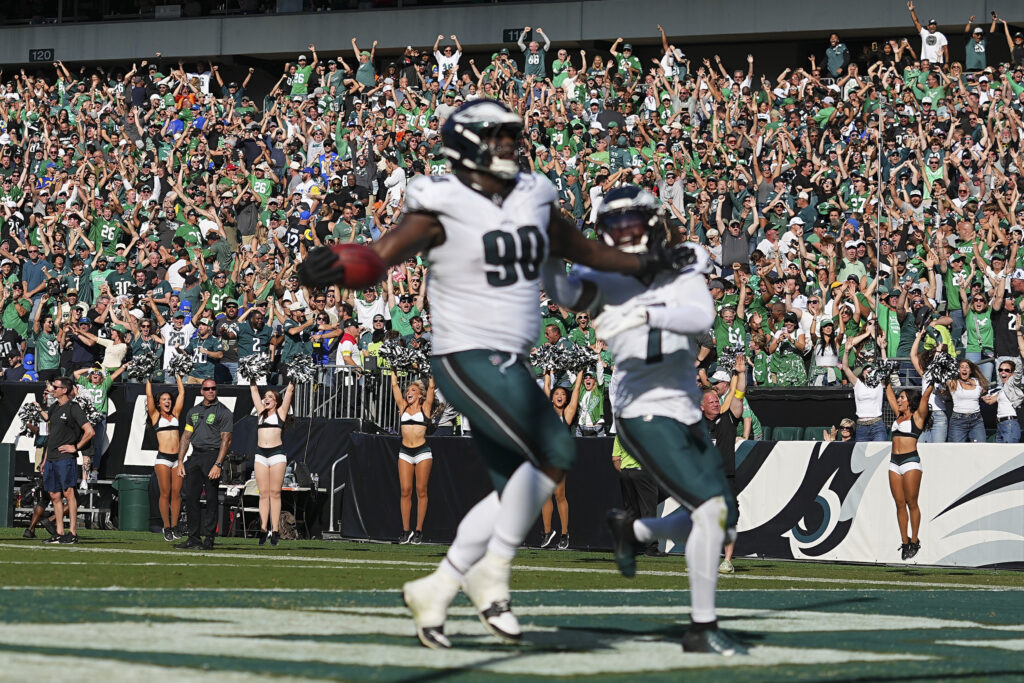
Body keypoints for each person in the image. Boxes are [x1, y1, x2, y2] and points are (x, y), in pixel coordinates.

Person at [299, 99, 684, 649]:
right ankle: (491, 572)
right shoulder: (441, 202)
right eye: (496, 137)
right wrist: (342, 265)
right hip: (465, 353)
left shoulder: (535, 196)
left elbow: (573, 268)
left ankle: (438, 587)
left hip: (511, 359)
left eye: (510, 137)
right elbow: (382, 255)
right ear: (466, 146)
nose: (508, 147)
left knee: (520, 484)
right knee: (555, 448)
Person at [546, 185, 745, 656]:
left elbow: (701, 313)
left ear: (651, 222)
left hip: (681, 404)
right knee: (710, 510)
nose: (624, 235)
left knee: (721, 516)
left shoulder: (681, 259)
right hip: (640, 406)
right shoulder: (605, 272)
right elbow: (563, 293)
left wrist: (643, 309)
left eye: (630, 223)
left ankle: (635, 532)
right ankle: (701, 626)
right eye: (614, 226)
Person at [174, 379, 234, 551]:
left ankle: (209, 538)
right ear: (201, 391)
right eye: (207, 389)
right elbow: (186, 436)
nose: (210, 391)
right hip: (195, 455)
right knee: (190, 497)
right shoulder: (193, 411)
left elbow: (226, 440)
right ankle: (193, 538)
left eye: (213, 388)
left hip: (212, 455)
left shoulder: (224, 412)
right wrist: (180, 461)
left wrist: (218, 464)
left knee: (211, 498)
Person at [39, 376, 95, 545]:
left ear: (64, 390)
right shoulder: (54, 407)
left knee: (68, 493)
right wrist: (45, 460)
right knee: (54, 494)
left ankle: (72, 533)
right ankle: (59, 532)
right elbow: (51, 436)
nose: (52, 389)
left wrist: (75, 447)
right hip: (51, 458)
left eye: (55, 387)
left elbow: (90, 431)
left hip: (65, 458)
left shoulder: (73, 407)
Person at [884, 381, 933, 561]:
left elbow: (925, 397)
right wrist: (886, 380)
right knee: (899, 503)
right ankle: (905, 542)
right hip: (894, 462)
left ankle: (914, 540)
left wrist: (932, 381)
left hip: (910, 462)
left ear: (910, 402)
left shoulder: (917, 418)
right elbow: (889, 396)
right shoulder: (898, 415)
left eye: (902, 398)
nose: (898, 400)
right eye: (899, 397)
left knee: (911, 502)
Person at [391, 374, 436, 545]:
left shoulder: (425, 408)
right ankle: (405, 531)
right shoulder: (403, 407)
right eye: (408, 390)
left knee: (421, 491)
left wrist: (430, 371)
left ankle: (418, 531)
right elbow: (394, 386)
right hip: (405, 452)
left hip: (422, 452)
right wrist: (393, 368)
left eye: (413, 390)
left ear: (420, 395)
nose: (408, 392)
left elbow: (431, 387)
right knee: (405, 491)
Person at [249, 378, 294, 546]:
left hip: (277, 455)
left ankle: (275, 530)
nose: (266, 399)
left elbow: (289, 392)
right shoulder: (260, 413)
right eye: (265, 396)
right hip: (260, 455)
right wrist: (252, 375)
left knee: (275, 493)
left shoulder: (280, 413)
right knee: (263, 493)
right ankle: (263, 529)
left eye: (270, 397)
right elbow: (254, 390)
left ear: (276, 402)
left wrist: (293, 378)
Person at [539, 370, 582, 550]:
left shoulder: (567, 414)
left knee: (559, 494)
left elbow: (577, 389)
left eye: (563, 394)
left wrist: (581, 369)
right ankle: (547, 532)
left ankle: (565, 534)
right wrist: (547, 370)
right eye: (556, 394)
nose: (559, 396)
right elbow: (546, 386)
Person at [147, 375, 185, 541]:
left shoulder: (176, 414)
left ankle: (175, 526)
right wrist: (148, 380)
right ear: (158, 403)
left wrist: (178, 377)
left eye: (169, 399)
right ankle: (167, 526)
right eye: (163, 399)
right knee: (165, 493)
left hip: (177, 459)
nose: (167, 402)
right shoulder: (155, 416)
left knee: (177, 493)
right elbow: (149, 396)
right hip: (163, 459)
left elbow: (182, 393)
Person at [983, 359, 1023, 443]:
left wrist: (1019, 359)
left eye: (1007, 370)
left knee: (1009, 451)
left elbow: (1018, 373)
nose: (1003, 372)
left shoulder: (1013, 385)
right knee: (1000, 451)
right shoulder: (1002, 389)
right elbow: (990, 401)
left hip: (1010, 424)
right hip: (1000, 425)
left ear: (1012, 373)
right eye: (1000, 370)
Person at [947, 359, 987, 442]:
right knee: (956, 448)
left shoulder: (978, 382)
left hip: (976, 420)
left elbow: (985, 394)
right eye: (962, 367)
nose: (964, 369)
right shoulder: (953, 382)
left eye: (967, 367)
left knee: (981, 447)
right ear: (958, 370)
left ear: (970, 371)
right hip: (958, 421)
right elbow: (942, 373)